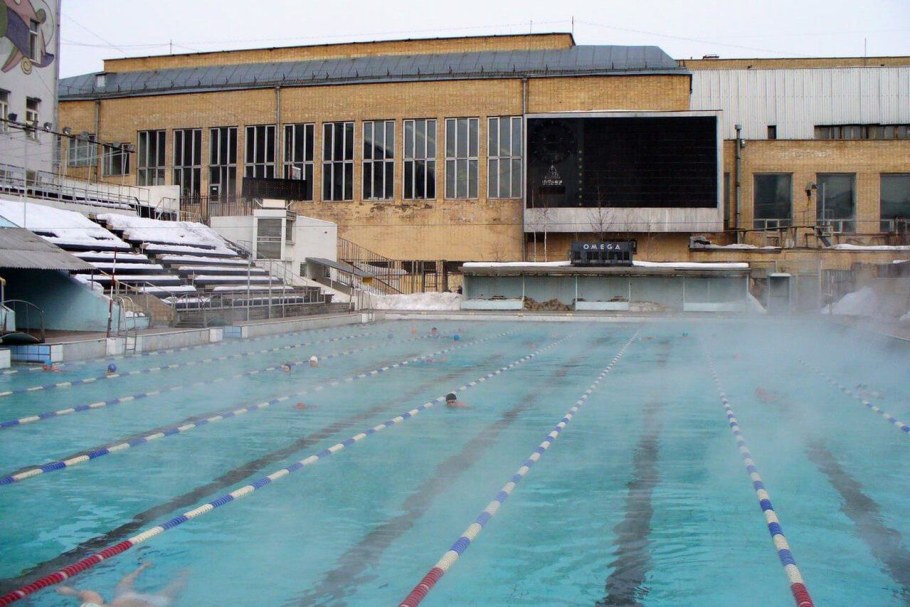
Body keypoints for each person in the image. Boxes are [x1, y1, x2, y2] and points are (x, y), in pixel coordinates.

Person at [57, 562, 186, 607]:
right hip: (151, 602)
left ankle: (142, 568)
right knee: (172, 588)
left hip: (128, 599)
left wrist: (73, 592)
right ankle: (184, 574)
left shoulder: (93, 603)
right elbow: (88, 594)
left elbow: (88, 594)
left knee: (124, 584)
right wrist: (72, 592)